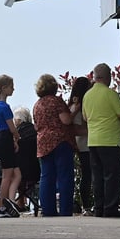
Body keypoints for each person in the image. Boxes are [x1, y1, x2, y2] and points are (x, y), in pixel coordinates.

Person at [82, 63, 120, 218]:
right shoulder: (110, 94)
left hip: (93, 141)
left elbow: (85, 118)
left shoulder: (87, 96)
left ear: (95, 77)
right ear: (108, 77)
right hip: (108, 141)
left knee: (97, 177)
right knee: (111, 176)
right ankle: (110, 209)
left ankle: (99, 208)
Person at [32, 74, 76, 216]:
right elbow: (66, 120)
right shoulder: (56, 102)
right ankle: (65, 210)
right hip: (60, 141)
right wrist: (74, 110)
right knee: (64, 176)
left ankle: (48, 210)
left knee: (46, 177)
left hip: (43, 143)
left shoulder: (37, 105)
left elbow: (36, 125)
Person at [0, 74, 21, 218]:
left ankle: (9, 201)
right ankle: (1, 206)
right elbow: (12, 127)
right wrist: (18, 138)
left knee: (16, 174)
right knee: (7, 176)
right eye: (11, 86)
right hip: (4, 139)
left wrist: (13, 140)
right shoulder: (4, 106)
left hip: (2, 139)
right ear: (4, 88)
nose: (13, 89)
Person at [69, 76, 93, 216]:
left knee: (86, 175)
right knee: (88, 175)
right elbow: (77, 128)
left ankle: (85, 204)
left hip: (79, 143)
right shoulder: (80, 106)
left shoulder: (73, 106)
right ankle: (87, 205)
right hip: (85, 143)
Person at [13, 107, 40, 212]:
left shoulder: (16, 133)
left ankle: (18, 202)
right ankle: (25, 202)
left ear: (19, 120)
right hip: (36, 170)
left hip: (19, 172)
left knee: (15, 172)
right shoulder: (36, 131)